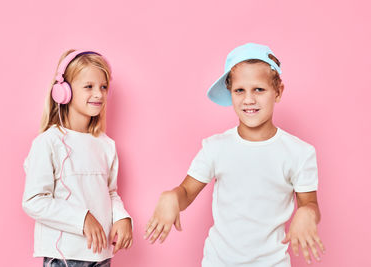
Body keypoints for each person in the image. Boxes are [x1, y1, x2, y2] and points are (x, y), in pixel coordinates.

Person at [145, 43, 325, 266]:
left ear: (278, 92)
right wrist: (171, 196)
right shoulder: (216, 147)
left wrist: (307, 213)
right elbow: (186, 193)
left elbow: (310, 204)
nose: (248, 99)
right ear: (230, 93)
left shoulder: (300, 153)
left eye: (259, 89)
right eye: (240, 90)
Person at [22, 50, 132, 267]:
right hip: (65, 257)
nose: (99, 94)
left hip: (100, 256)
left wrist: (122, 217)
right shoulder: (48, 142)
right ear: (63, 92)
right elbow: (34, 200)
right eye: (89, 86)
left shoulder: (106, 145)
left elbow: (109, 192)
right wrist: (83, 218)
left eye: (103, 87)